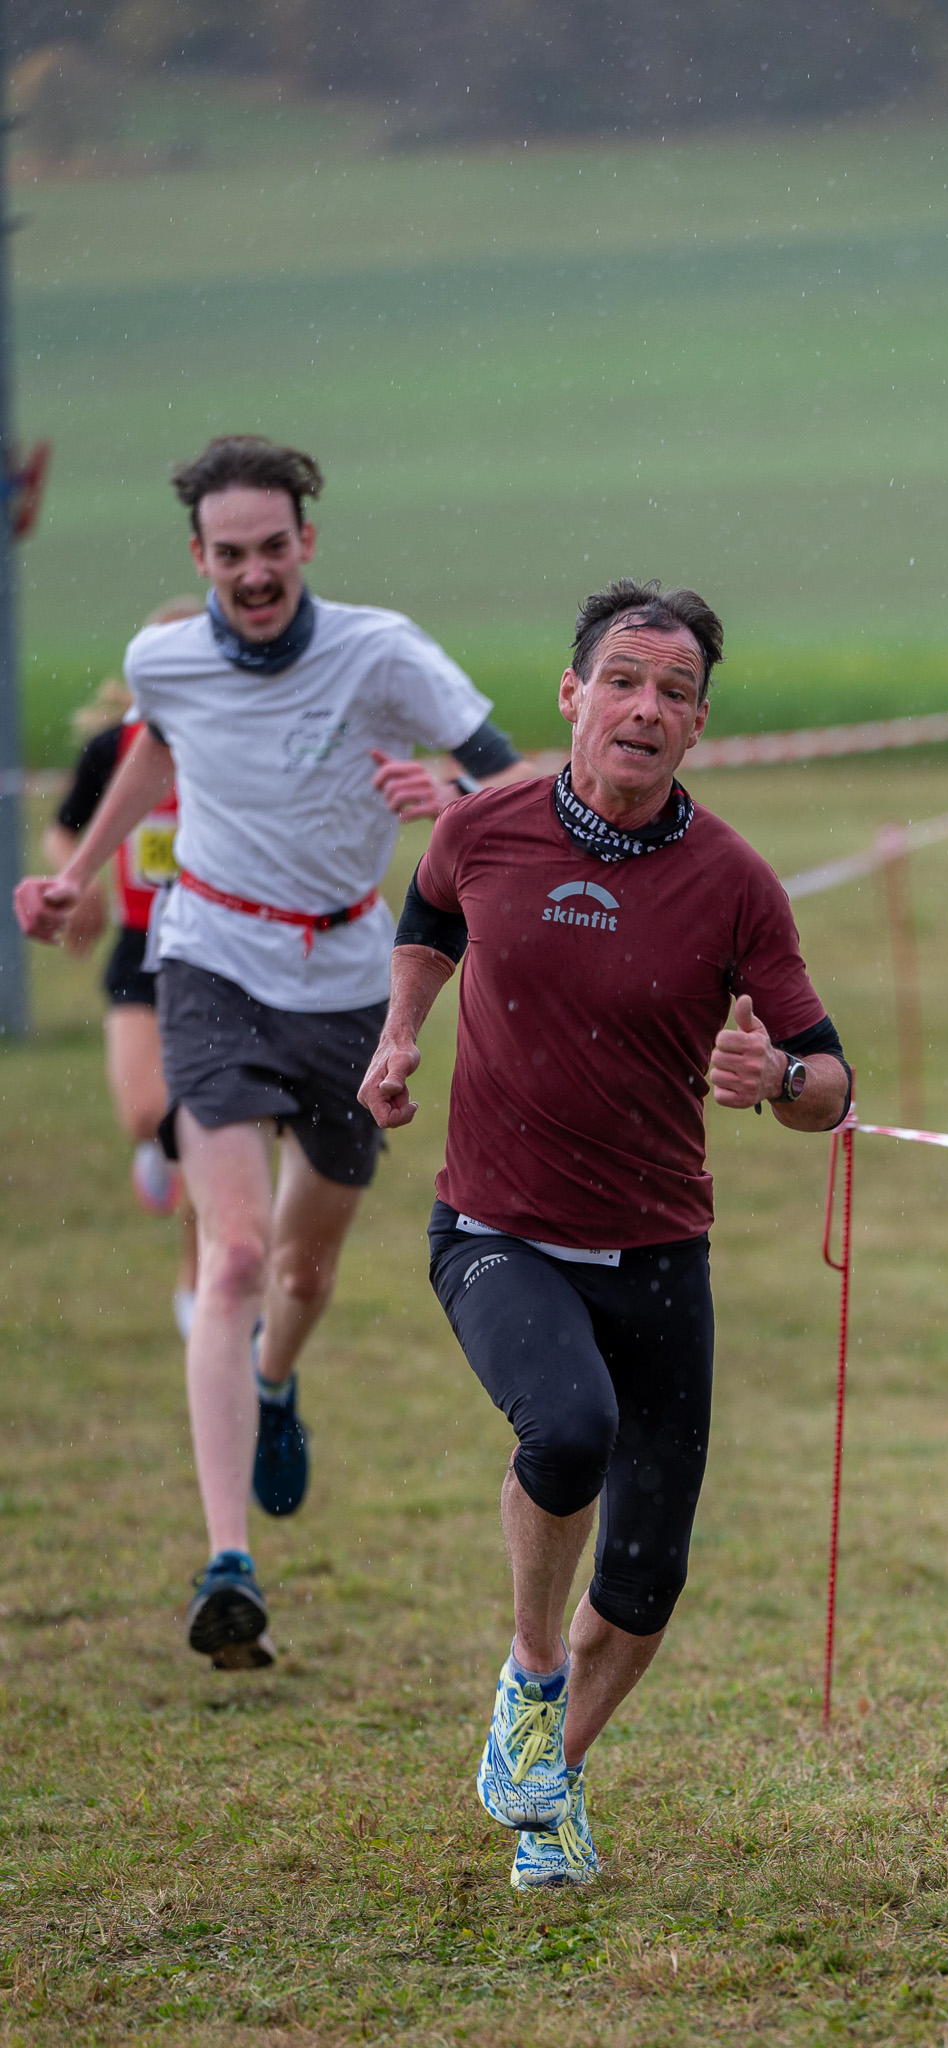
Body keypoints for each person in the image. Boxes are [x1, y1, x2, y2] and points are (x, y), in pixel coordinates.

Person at [358, 577, 851, 1890]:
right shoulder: (485, 825)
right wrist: (400, 1031)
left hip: (657, 1252)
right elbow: (431, 912)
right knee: (567, 1429)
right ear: (572, 694)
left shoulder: (734, 884)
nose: (644, 707)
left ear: (697, 725)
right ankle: (528, 1674)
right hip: (496, 1228)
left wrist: (776, 1081)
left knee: (644, 1578)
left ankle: (552, 1776)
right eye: (622, 680)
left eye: (674, 692)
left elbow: (828, 1078)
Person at [15, 434, 530, 1670]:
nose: (253, 573)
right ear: (200, 556)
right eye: (229, 552)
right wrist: (83, 871)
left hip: (349, 979)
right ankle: (227, 1561)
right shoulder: (164, 658)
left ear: (306, 542)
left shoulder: (381, 652)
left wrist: (448, 798)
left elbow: (514, 784)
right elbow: (156, 740)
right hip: (209, 962)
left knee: (302, 1269)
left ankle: (278, 1380)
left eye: (271, 548)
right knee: (235, 1252)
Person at [45, 602, 202, 1339]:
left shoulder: (234, 740)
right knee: (147, 1114)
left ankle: (199, 1280)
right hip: (141, 947)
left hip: (219, 950)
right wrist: (77, 884)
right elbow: (62, 830)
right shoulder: (115, 748)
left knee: (204, 1128)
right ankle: (158, 1148)